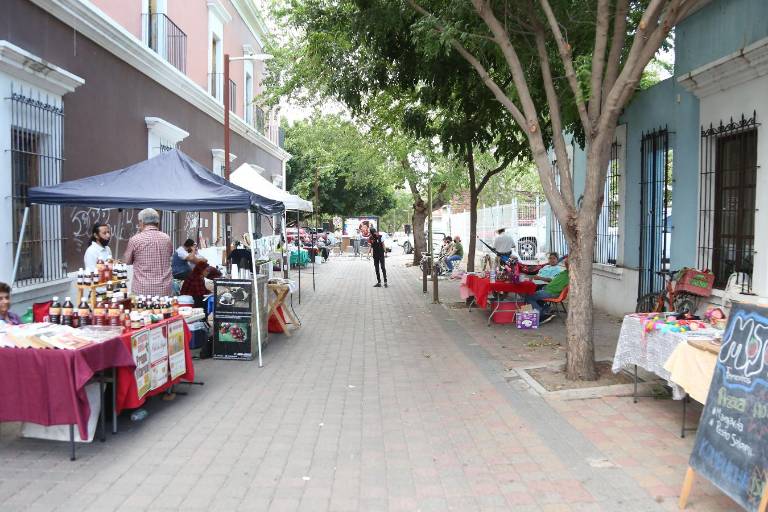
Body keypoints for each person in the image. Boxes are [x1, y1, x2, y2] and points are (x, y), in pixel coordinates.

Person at [124, 208, 173, 297]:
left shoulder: (135, 239)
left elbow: (127, 261)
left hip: (142, 289)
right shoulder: (166, 238)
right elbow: (169, 254)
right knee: (164, 311)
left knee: (141, 310)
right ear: (158, 223)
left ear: (141, 222)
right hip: (164, 288)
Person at [524, 258, 569, 324]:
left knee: (529, 297)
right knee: (534, 293)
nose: (566, 265)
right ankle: (544, 310)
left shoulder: (569, 275)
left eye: (567, 264)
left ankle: (541, 315)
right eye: (566, 264)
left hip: (552, 292)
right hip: (547, 289)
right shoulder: (564, 272)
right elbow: (554, 281)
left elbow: (554, 283)